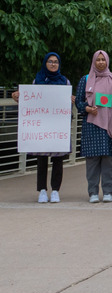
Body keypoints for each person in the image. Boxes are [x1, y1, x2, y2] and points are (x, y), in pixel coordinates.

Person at [12, 53, 73, 203]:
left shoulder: (64, 82)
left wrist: (71, 100)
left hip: (58, 127)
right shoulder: (37, 80)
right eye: (50, 62)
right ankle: (42, 190)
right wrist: (20, 97)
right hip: (42, 128)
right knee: (42, 160)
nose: (53, 64)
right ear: (45, 63)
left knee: (58, 160)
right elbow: (30, 101)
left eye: (56, 62)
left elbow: (68, 104)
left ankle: (55, 190)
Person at [75, 51, 112, 203]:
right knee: (92, 160)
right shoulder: (86, 79)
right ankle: (93, 192)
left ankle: (108, 191)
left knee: (109, 159)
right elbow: (78, 102)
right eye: (98, 60)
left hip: (111, 124)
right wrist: (87, 109)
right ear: (94, 62)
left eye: (103, 59)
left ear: (107, 61)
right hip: (91, 124)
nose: (101, 62)